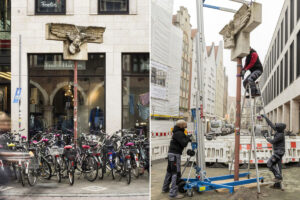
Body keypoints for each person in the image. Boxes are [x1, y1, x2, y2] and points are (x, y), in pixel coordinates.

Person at [162, 120, 192, 199]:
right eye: (185, 124)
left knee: (169, 171)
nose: (186, 125)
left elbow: (182, 139)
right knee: (176, 173)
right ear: (181, 125)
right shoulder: (179, 133)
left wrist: (187, 137)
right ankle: (173, 194)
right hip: (175, 155)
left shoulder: (178, 132)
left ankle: (165, 188)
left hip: (171, 154)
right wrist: (188, 137)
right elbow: (184, 143)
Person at [261, 114, 285, 185]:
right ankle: (278, 181)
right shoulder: (278, 131)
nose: (275, 127)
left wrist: (266, 137)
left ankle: (278, 177)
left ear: (279, 128)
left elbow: (272, 141)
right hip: (278, 152)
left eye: (277, 126)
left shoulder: (280, 135)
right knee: (278, 166)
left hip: (279, 152)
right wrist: (266, 118)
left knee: (269, 164)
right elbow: (271, 125)